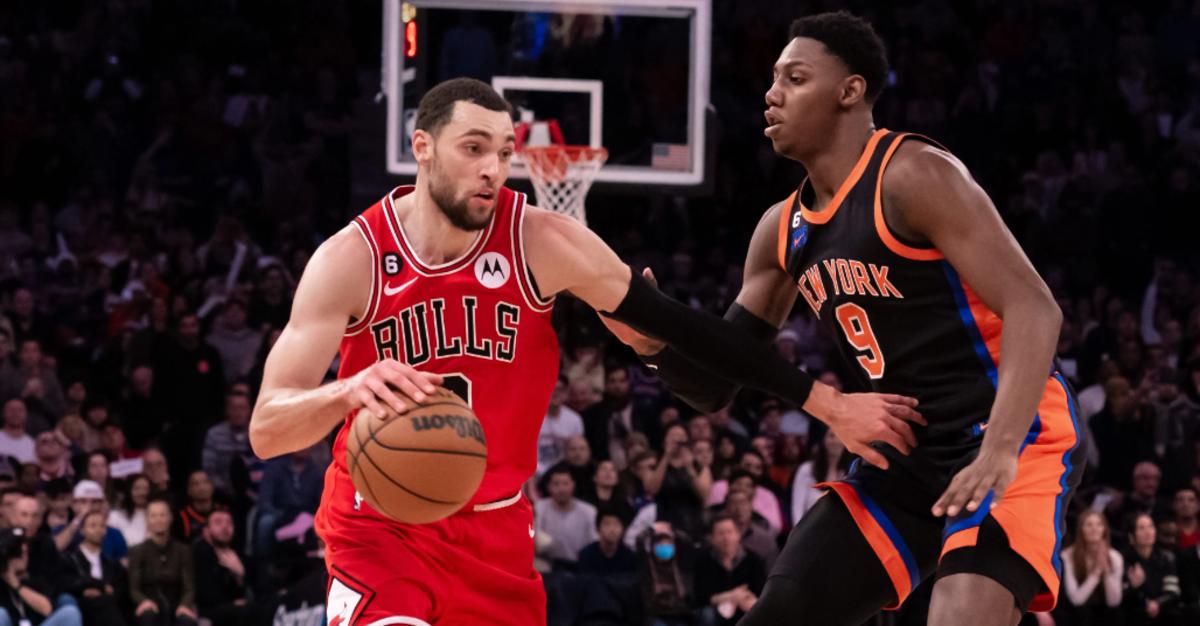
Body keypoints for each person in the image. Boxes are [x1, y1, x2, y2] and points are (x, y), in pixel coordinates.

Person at [250, 77, 913, 626]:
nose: (492, 169)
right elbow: (268, 428)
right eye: (472, 147)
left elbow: (687, 338)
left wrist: (824, 403)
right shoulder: (351, 260)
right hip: (381, 524)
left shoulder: (542, 241)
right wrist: (346, 390)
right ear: (422, 147)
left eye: (505, 152)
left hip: (498, 530)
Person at [604, 11, 1084, 625]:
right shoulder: (781, 230)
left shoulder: (913, 174)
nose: (772, 93)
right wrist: (654, 346)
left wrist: (1001, 448)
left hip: (1006, 433)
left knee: (961, 614)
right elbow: (718, 382)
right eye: (773, 79)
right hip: (902, 457)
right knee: (782, 613)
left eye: (795, 78)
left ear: (850, 91)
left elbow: (1035, 307)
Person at [127, 499, 196, 626]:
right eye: (153, 516)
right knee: (148, 617)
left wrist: (185, 604)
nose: (158, 519)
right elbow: (134, 589)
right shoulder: (137, 551)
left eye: (162, 515)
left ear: (170, 518)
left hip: (176, 603)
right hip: (149, 603)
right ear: (147, 520)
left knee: (187, 621)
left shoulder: (183, 550)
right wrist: (144, 601)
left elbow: (189, 587)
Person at [193, 509, 267, 626]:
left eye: (229, 523)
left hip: (237, 608)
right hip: (209, 610)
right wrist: (232, 604)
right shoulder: (200, 553)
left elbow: (259, 589)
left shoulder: (238, 554)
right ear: (206, 531)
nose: (225, 527)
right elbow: (206, 595)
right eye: (218, 523)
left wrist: (241, 573)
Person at [0, 528, 83, 626]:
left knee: (70, 613)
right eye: (17, 554)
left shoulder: (36, 577)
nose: (23, 557)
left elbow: (46, 609)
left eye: (25, 552)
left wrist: (17, 585)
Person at [694, 515, 766, 626]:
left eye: (730, 532)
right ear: (711, 538)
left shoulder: (753, 559)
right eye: (721, 533)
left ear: (738, 535)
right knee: (706, 614)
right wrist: (732, 596)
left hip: (745, 606)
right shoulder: (703, 560)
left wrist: (743, 600)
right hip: (715, 611)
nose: (726, 538)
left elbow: (761, 592)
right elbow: (702, 597)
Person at [63, 511, 128, 626]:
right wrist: (100, 587)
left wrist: (102, 593)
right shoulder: (70, 559)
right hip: (82, 609)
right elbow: (69, 583)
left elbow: (119, 590)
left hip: (108, 609)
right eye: (93, 525)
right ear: (82, 530)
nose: (98, 530)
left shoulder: (112, 564)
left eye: (102, 526)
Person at [1061, 511, 1123, 626]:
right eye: (1089, 525)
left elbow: (1113, 602)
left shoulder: (1115, 557)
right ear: (1081, 530)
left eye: (1099, 524)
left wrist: (1106, 571)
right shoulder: (1067, 556)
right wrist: (1096, 572)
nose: (1094, 529)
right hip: (1076, 616)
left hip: (1104, 616)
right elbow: (1076, 600)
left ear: (1104, 529)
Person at [1122, 513, 1181, 625]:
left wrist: (1157, 603)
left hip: (1162, 611)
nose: (1148, 532)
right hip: (1134, 614)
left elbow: (1173, 591)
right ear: (1131, 536)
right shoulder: (1123, 560)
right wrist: (1135, 588)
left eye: (1151, 526)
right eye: (1141, 528)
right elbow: (1120, 597)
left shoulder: (1166, 558)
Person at [534, 465, 597, 564]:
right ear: (549, 487)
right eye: (556, 484)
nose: (561, 489)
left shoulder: (589, 511)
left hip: (582, 566)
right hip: (548, 566)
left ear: (573, 485)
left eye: (565, 484)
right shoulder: (538, 508)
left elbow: (594, 542)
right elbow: (536, 540)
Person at [791, 428, 851, 524]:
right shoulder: (807, 470)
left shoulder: (848, 475)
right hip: (808, 532)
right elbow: (797, 509)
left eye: (840, 436)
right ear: (823, 439)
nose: (837, 441)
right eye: (831, 436)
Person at [200, 389, 253, 497]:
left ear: (250, 410)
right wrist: (227, 490)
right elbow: (209, 470)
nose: (238, 413)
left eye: (242, 408)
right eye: (234, 408)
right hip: (222, 494)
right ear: (227, 410)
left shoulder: (258, 433)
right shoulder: (214, 434)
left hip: (254, 495)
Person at [536, 375, 583, 476]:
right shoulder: (529, 417)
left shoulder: (574, 420)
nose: (555, 393)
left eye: (559, 389)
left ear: (566, 393)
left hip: (565, 473)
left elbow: (579, 451)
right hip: (534, 473)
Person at [576, 511, 637, 577]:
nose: (612, 530)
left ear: (623, 529)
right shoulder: (586, 555)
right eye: (607, 524)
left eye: (616, 524)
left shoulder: (629, 556)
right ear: (597, 529)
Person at [108, 474, 150, 548]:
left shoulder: (155, 516)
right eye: (137, 489)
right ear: (129, 490)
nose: (141, 493)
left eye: (145, 489)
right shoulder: (116, 516)